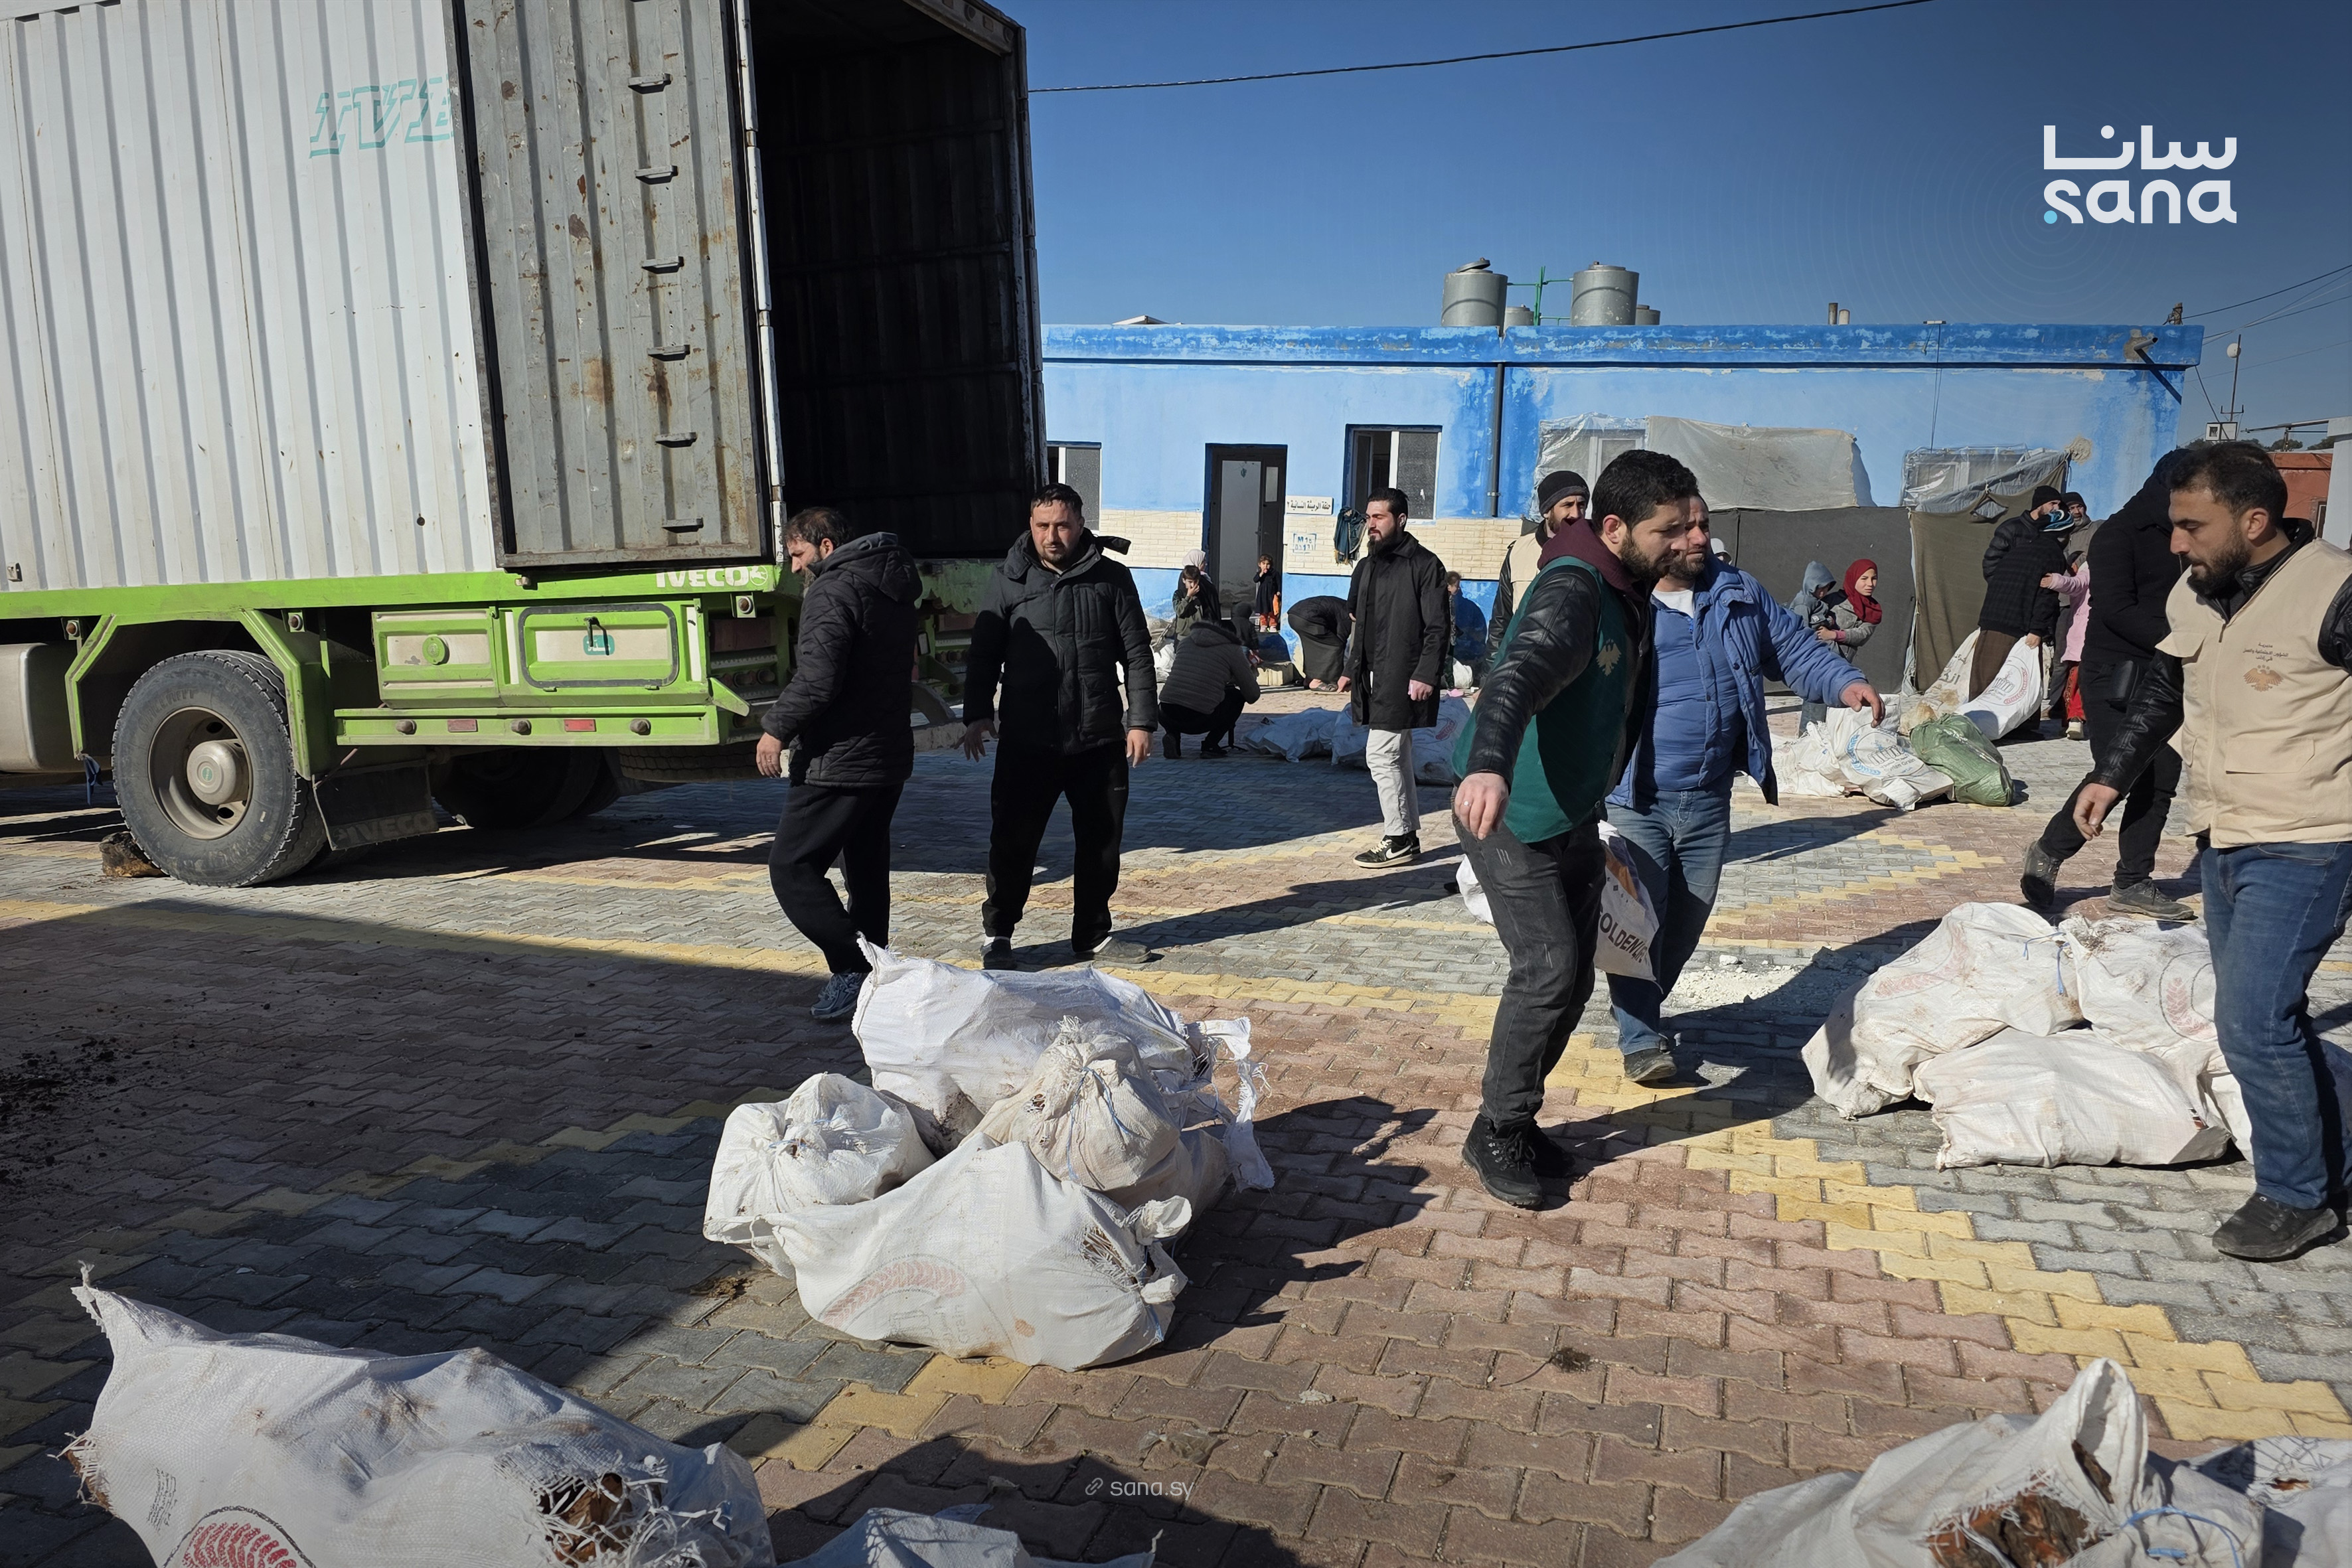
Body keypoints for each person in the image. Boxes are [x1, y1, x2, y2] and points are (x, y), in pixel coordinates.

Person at [2073, 441, 2352, 1261]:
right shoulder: (2197, 591)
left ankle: (2296, 1197)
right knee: (2265, 1020)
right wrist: (2110, 777)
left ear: (2254, 520)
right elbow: (2165, 691)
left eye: (2193, 526)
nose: (2176, 542)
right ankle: (2335, 1153)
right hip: (2222, 838)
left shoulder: (2336, 590)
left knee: (2253, 1022)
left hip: (2309, 840)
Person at [1448, 451, 1694, 1205]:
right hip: (1509, 807)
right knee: (1548, 967)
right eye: (1669, 530)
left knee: (1576, 973)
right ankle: (1497, 1128)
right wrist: (1487, 764)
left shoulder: (1626, 584)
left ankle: (1517, 1122)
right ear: (1615, 527)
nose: (1687, 541)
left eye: (1691, 526)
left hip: (1571, 808)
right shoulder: (1574, 587)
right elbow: (1517, 672)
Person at [1606, 501, 1883, 1082]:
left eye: (1703, 525)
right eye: (1683, 528)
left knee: (1684, 924)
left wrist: (1844, 681)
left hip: (1708, 796)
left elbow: (1794, 649)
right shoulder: (1622, 600)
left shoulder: (1736, 591)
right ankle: (1640, 1035)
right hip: (1636, 797)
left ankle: (1643, 1006)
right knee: (1640, 921)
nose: (1698, 537)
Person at [961, 482, 1158, 969]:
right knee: (1013, 842)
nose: (1052, 536)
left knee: (1101, 842)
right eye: (1043, 526)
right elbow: (984, 653)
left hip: (1098, 737)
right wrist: (977, 713)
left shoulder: (1111, 578)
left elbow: (1136, 653)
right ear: (1030, 526)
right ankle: (998, 934)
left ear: (1081, 524)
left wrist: (1141, 721)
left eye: (1062, 526)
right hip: (1028, 739)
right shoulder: (1008, 579)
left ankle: (1092, 935)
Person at [755, 507, 921, 1021]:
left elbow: (818, 678)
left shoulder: (833, 589)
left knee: (791, 867)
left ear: (826, 547)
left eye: (798, 554)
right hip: (886, 752)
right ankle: (875, 973)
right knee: (865, 868)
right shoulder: (892, 585)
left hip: (840, 758)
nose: (794, 567)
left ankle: (854, 967)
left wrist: (775, 728)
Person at [2023, 455, 2193, 920]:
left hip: (2169, 669)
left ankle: (2132, 881)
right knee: (2120, 770)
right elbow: (2116, 610)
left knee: (2162, 777)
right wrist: (2183, 640)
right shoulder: (2118, 534)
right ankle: (2049, 850)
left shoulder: (2190, 533)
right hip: (2114, 671)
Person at [1338, 487, 1449, 867]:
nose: (1371, 524)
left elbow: (1438, 628)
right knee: (1396, 756)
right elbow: (1359, 622)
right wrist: (1350, 669)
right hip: (1373, 676)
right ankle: (1407, 837)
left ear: (1401, 520)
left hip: (1404, 676)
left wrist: (1426, 674)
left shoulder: (1425, 565)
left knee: (1381, 755)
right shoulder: (1367, 565)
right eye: (1368, 517)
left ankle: (1398, 837)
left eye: (1379, 517)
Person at [1486, 470, 1588, 665]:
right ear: (1547, 511)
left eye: (1581, 505)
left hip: (1573, 667)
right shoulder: (1519, 551)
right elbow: (1501, 620)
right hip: (1522, 665)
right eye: (1567, 505)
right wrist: (1491, 671)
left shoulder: (1594, 553)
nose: (1576, 514)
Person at [1970, 504, 2071, 700]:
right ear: (2062, 534)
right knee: (2013, 689)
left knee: (1981, 686)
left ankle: (1974, 718)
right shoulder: (2052, 554)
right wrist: (2037, 630)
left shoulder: (2020, 549)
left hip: (1990, 622)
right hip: (2016, 627)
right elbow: (2046, 595)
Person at [1159, 613, 1258, 758]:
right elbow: (1253, 695)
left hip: (1165, 713)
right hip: (1198, 720)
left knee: (1179, 697)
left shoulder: (1186, 642)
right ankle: (1210, 745)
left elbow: (1197, 672)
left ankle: (1173, 736)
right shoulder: (1232, 649)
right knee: (1236, 697)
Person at [1796, 559, 1881, 730]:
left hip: (1841, 665)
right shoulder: (1833, 600)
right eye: (1864, 579)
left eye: (1874, 579)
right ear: (1853, 578)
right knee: (1815, 706)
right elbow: (1811, 615)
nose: (1870, 584)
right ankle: (1809, 739)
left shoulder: (1873, 610)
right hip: (1820, 659)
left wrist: (1834, 634)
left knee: (1843, 708)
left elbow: (1862, 635)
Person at [1982, 485, 2071, 584]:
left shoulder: (2052, 531)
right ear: (2039, 505)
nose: (2057, 508)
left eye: (2059, 505)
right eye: (2052, 504)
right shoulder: (2011, 528)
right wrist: (2002, 587)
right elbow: (1991, 563)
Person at [1288, 595, 1350, 690]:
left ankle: (1309, 679)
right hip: (1309, 617)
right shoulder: (1348, 615)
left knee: (1312, 647)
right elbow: (1342, 638)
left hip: (1293, 615)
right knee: (1335, 646)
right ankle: (1317, 681)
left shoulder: (1342, 605)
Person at [1446, 571, 1488, 690]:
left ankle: (1451, 684)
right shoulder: (1443, 602)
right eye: (1456, 586)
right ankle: (1450, 684)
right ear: (1448, 586)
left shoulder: (1454, 602)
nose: (1459, 589)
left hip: (1454, 642)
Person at [1172, 560, 1219, 644]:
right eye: (1190, 582)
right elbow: (1179, 611)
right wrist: (1188, 597)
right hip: (1184, 636)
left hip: (1199, 634)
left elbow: (1208, 612)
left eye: (1196, 582)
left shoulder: (1202, 594)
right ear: (1184, 581)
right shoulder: (1179, 594)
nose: (1193, 585)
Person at [1252, 555, 1280, 631]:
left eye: (1268, 564)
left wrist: (1279, 591)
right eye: (1263, 564)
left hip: (1272, 594)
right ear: (1260, 565)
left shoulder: (1274, 573)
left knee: (1273, 611)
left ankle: (1273, 625)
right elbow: (1255, 580)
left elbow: (1279, 583)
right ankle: (1263, 625)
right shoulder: (1260, 573)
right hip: (1263, 595)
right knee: (1263, 610)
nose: (1266, 566)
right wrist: (1262, 573)